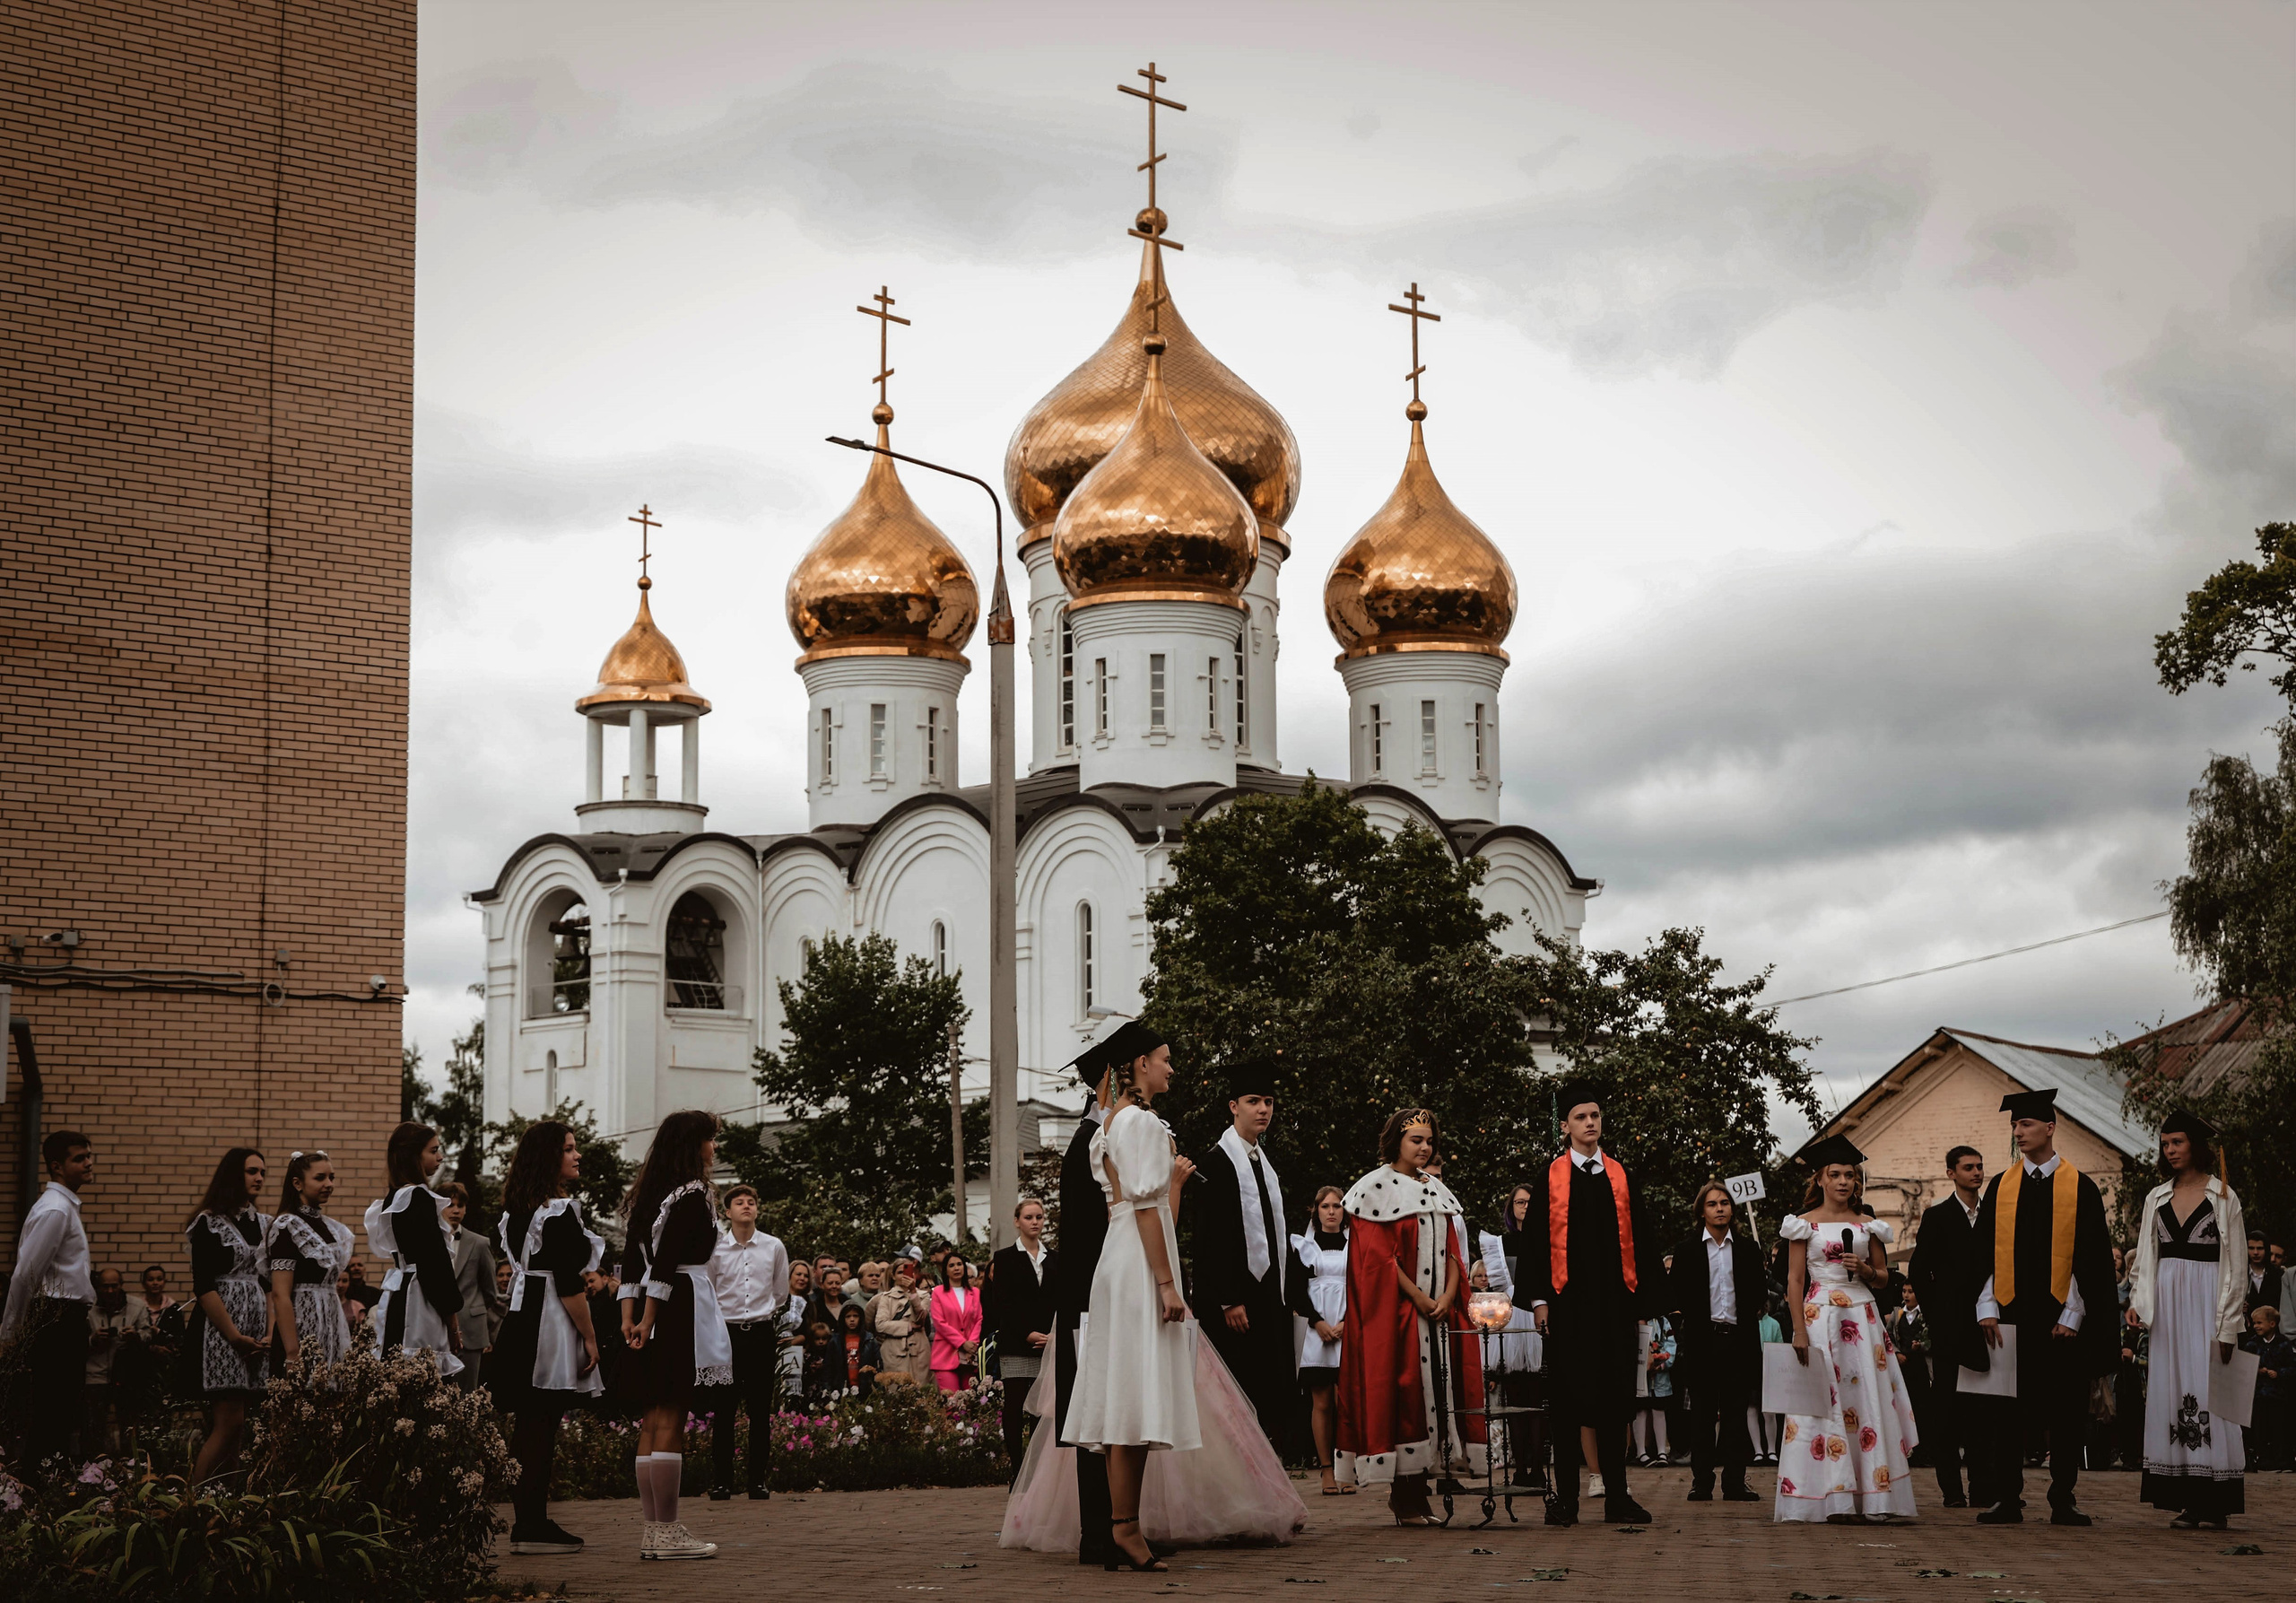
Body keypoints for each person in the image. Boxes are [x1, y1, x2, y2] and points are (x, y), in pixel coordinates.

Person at [1014, 1022, 1300, 1565]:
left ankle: (1125, 1525)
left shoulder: (1114, 1124)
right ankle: (1122, 1527)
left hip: (1121, 1264)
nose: (1172, 1067)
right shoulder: (1141, 1123)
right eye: (1165, 1059)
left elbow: (1138, 1211)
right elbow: (1145, 1211)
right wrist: (1168, 1283)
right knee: (1135, 1396)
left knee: (1131, 1399)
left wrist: (1171, 1190)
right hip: (1140, 1269)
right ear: (1140, 1063)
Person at [1969, 1088, 2118, 1527]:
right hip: (2010, 1316)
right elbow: (1984, 1255)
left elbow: (2088, 1258)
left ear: (2050, 1128)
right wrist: (1985, 1308)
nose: (2019, 1132)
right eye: (2015, 1125)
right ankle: (2008, 1498)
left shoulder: (2081, 1187)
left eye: (2026, 1124)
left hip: (2059, 1321)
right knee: (2005, 1411)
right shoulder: (2001, 1185)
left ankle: (2063, 1497)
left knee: (2066, 1411)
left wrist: (2072, 1315)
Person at [1335, 1107, 1487, 1525]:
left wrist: (1450, 1294)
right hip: (1400, 1319)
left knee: (1436, 1399)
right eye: (1415, 1140)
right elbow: (1377, 1262)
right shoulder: (1373, 1190)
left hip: (1439, 1315)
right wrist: (1420, 1298)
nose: (1424, 1147)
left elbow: (1455, 1253)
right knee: (1405, 1397)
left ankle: (1419, 1495)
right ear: (1396, 1142)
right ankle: (1404, 1498)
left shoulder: (1437, 1189)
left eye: (1429, 1140)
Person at [1522, 1082, 1663, 1526]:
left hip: (1615, 1308)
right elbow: (1536, 1245)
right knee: (1566, 1404)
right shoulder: (1550, 1177)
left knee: (1615, 1403)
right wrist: (1540, 1301)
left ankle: (1617, 1496)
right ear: (1565, 1126)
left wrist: (1643, 1299)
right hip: (1566, 1309)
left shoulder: (1620, 1176)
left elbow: (1641, 1238)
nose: (1590, 1123)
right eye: (1581, 1117)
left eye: (1595, 1116)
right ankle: (1566, 1500)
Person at [1777, 1134, 1919, 1523]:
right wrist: (1798, 1331)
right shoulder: (1801, 1225)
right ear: (1820, 1179)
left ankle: (1874, 1496)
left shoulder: (1869, 1224)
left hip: (1862, 1318)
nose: (1844, 1182)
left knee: (1868, 1402)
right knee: (1822, 1403)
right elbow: (1794, 1281)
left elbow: (1884, 1279)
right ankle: (1830, 1496)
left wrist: (1868, 1270)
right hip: (1820, 1317)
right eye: (1836, 1174)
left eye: (1851, 1175)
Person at [482, 1121, 602, 1555]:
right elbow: (569, 1283)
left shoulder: (518, 1209)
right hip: (548, 1319)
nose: (577, 1155)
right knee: (541, 1423)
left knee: (531, 1423)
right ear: (549, 1156)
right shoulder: (556, 1210)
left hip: (522, 1314)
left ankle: (529, 1520)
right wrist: (590, 1338)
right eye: (569, 1149)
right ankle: (531, 1525)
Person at [616, 1109, 730, 1561]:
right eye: (710, 1140)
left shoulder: (648, 1194)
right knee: (671, 1417)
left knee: (653, 1417)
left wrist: (631, 1315)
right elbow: (664, 1263)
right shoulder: (692, 1194)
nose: (714, 1148)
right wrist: (649, 1317)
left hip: (652, 1302)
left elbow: (631, 1260)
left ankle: (655, 1530)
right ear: (692, 1145)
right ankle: (666, 1530)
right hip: (679, 1302)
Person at [2126, 1111, 2248, 1529]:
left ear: (2195, 1144)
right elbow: (2145, 1257)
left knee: (2209, 1391)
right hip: (2168, 1309)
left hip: (2207, 1303)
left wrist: (2228, 1324)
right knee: (2172, 1390)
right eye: (2164, 1144)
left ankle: (2214, 1499)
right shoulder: (2156, 1197)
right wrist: (2140, 1302)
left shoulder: (2223, 1196)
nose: (2170, 1150)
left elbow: (2237, 1267)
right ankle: (2185, 1494)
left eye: (2177, 1142)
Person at [1190, 1069, 1297, 1450]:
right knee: (1237, 1388)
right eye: (1253, 1102)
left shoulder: (1262, 1162)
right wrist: (1228, 1297)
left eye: (1268, 1102)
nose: (1263, 1109)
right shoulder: (1217, 1162)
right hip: (1234, 1302)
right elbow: (1211, 1237)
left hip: (1266, 1295)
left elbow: (1273, 1234)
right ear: (1233, 1107)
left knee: (1267, 1390)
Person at [1048, 1030, 1121, 1569]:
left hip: (1103, 1295)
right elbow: (1086, 1236)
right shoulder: (1087, 1147)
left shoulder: (1103, 1141)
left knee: (1115, 1414)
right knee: (1095, 1417)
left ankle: (1115, 1526)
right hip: (1090, 1299)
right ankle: (1097, 1533)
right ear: (1108, 1085)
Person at [1, 1129, 96, 1471]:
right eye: (79, 1158)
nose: (88, 1163)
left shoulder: (64, 1207)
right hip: (57, 1320)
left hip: (65, 1319)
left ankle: (47, 1489)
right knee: (53, 1413)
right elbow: (25, 1274)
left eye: (88, 1155)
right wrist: (10, 1333)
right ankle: (37, 1490)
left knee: (61, 1411)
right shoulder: (55, 1210)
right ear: (57, 1167)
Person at [1668, 1180, 1765, 1502]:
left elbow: (1759, 1295)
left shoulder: (1749, 1248)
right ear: (1702, 1211)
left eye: (1724, 1203)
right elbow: (1678, 1294)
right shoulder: (1687, 1249)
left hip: (1738, 1340)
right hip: (1703, 1341)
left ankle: (1735, 1481)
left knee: (1736, 1414)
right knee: (1703, 1415)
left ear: (1732, 1209)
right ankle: (1702, 1481)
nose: (1720, 1208)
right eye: (1712, 1203)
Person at [1908, 1144, 1989, 1508]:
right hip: (1948, 1326)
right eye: (1968, 1167)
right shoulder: (1937, 1216)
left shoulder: (1993, 1214)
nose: (1976, 1172)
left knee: (1984, 1408)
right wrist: (1938, 1315)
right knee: (1948, 1408)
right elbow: (1918, 1271)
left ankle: (1984, 1485)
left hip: (1989, 1325)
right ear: (1951, 1173)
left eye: (1979, 1166)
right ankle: (1952, 1490)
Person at [187, 1146, 271, 1484]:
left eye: (263, 1172)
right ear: (234, 1175)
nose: (260, 1178)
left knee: (241, 1423)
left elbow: (269, 1283)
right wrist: (234, 1336)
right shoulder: (208, 1223)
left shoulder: (265, 1224)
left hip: (258, 1327)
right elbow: (204, 1286)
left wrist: (270, 1330)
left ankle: (230, 1500)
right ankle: (191, 1501)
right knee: (229, 1420)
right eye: (253, 1171)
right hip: (221, 1329)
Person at [703, 1182, 786, 1502]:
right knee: (724, 1410)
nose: (746, 1206)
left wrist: (759, 1314)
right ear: (728, 1211)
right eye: (739, 1202)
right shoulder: (716, 1248)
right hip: (726, 1333)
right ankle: (722, 1481)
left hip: (761, 1332)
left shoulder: (774, 1246)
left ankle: (757, 1482)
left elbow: (779, 1293)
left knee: (760, 1410)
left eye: (751, 1201)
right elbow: (708, 1291)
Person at [362, 1122, 465, 1379]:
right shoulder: (418, 1197)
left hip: (399, 1292)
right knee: (421, 1374)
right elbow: (435, 1261)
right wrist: (453, 1324)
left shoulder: (394, 1196)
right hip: (420, 1298)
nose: (440, 1157)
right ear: (413, 1155)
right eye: (434, 1151)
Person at [985, 1198, 1057, 1475]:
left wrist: (1052, 1335)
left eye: (1039, 1216)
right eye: (1028, 1217)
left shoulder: (1054, 1257)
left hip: (1048, 1343)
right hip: (1016, 1341)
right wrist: (1027, 1333)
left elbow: (1060, 1300)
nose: (1035, 1221)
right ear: (1017, 1221)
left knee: (1041, 1408)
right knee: (1014, 1406)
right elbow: (1002, 1303)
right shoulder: (1004, 1258)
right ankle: (1016, 1468)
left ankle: (1036, 1470)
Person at [266, 1149, 356, 1371]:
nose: (329, 1184)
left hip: (330, 1326)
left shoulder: (332, 1229)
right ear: (297, 1183)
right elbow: (280, 1294)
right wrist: (292, 1352)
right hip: (300, 1330)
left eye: (331, 1177)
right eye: (320, 1178)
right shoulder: (287, 1226)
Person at [1294, 1184, 1351, 1496]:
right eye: (1326, 1206)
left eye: (1337, 1206)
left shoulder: (1355, 1245)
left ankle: (1346, 1469)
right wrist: (1318, 1323)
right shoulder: (1303, 1246)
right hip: (1317, 1332)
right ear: (1316, 1210)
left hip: (1347, 1330)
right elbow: (1295, 1291)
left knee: (1347, 1402)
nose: (1332, 1211)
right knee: (1322, 1402)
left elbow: (1361, 1288)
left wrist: (1345, 1323)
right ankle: (1326, 1470)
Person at [444, 1182, 502, 1394]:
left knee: (466, 1394)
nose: (456, 1210)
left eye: (461, 1205)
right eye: (450, 1204)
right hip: (436, 1327)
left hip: (470, 1328)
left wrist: (471, 1310)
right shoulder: (430, 1240)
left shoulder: (479, 1243)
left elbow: (490, 1291)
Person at [83, 1268, 146, 1457]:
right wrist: (92, 1340)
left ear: (121, 1285)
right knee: (93, 1428)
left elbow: (148, 1333)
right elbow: (74, 1341)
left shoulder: (137, 1306)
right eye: (105, 1287)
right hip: (94, 1376)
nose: (110, 1291)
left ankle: (130, 1467)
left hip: (125, 1375)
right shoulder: (87, 1307)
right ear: (97, 1287)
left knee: (128, 1425)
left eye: (114, 1286)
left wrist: (135, 1337)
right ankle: (92, 1469)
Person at [2241, 1304, 2292, 1470]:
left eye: (2259, 1323)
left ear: (2272, 1324)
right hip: (2258, 1395)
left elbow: (2292, 1367)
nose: (2256, 1326)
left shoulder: (2283, 1343)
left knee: (2279, 1428)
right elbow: (2245, 1367)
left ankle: (2281, 1460)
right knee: (2260, 1429)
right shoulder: (2252, 1344)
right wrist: (2257, 1370)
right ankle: (2263, 1459)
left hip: (2278, 1396)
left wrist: (2279, 1373)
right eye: (2254, 1323)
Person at [1888, 1284, 1933, 1466]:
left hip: (1921, 1367)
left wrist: (1921, 1345)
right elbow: (1888, 1335)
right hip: (1903, 1367)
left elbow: (1931, 1337)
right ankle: (1909, 1448)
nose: (1906, 1295)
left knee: (1923, 1409)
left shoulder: (1926, 1313)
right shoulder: (1897, 1314)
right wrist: (1897, 1352)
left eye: (1911, 1292)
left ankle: (1925, 1451)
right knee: (1906, 1407)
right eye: (1904, 1291)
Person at [870, 1255, 932, 1382]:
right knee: (896, 1390)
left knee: (922, 1389)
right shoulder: (886, 1298)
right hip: (894, 1350)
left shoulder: (923, 1295)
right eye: (899, 1272)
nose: (904, 1275)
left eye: (907, 1271)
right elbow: (880, 1324)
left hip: (919, 1349)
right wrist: (907, 1327)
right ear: (893, 1276)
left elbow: (921, 1319)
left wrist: (913, 1292)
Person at [931, 1250, 982, 1390]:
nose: (956, 1268)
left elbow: (978, 1319)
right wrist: (962, 1343)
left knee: (969, 1403)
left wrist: (971, 1345)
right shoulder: (938, 1292)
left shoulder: (975, 1292)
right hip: (946, 1354)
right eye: (952, 1265)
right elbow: (939, 1323)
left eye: (959, 1264)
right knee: (952, 1403)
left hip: (969, 1356)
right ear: (946, 1271)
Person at [1632, 1313, 1675, 1466]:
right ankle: (1640, 1452)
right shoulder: (1636, 1321)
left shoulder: (1664, 1322)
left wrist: (1663, 1362)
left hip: (1660, 1376)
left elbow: (1671, 1345)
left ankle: (1662, 1451)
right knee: (1641, 1410)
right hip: (1640, 1373)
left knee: (1659, 1410)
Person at [837, 1302, 881, 1396]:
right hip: (842, 1390)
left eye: (855, 1316)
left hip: (865, 1390)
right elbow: (830, 1368)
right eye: (848, 1316)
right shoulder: (836, 1341)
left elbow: (878, 1367)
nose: (852, 1320)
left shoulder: (870, 1339)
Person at [2244, 1230, 2282, 1315]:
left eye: (2260, 1248)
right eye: (2251, 1248)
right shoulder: (2240, 1274)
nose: (2256, 1253)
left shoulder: (2278, 1275)